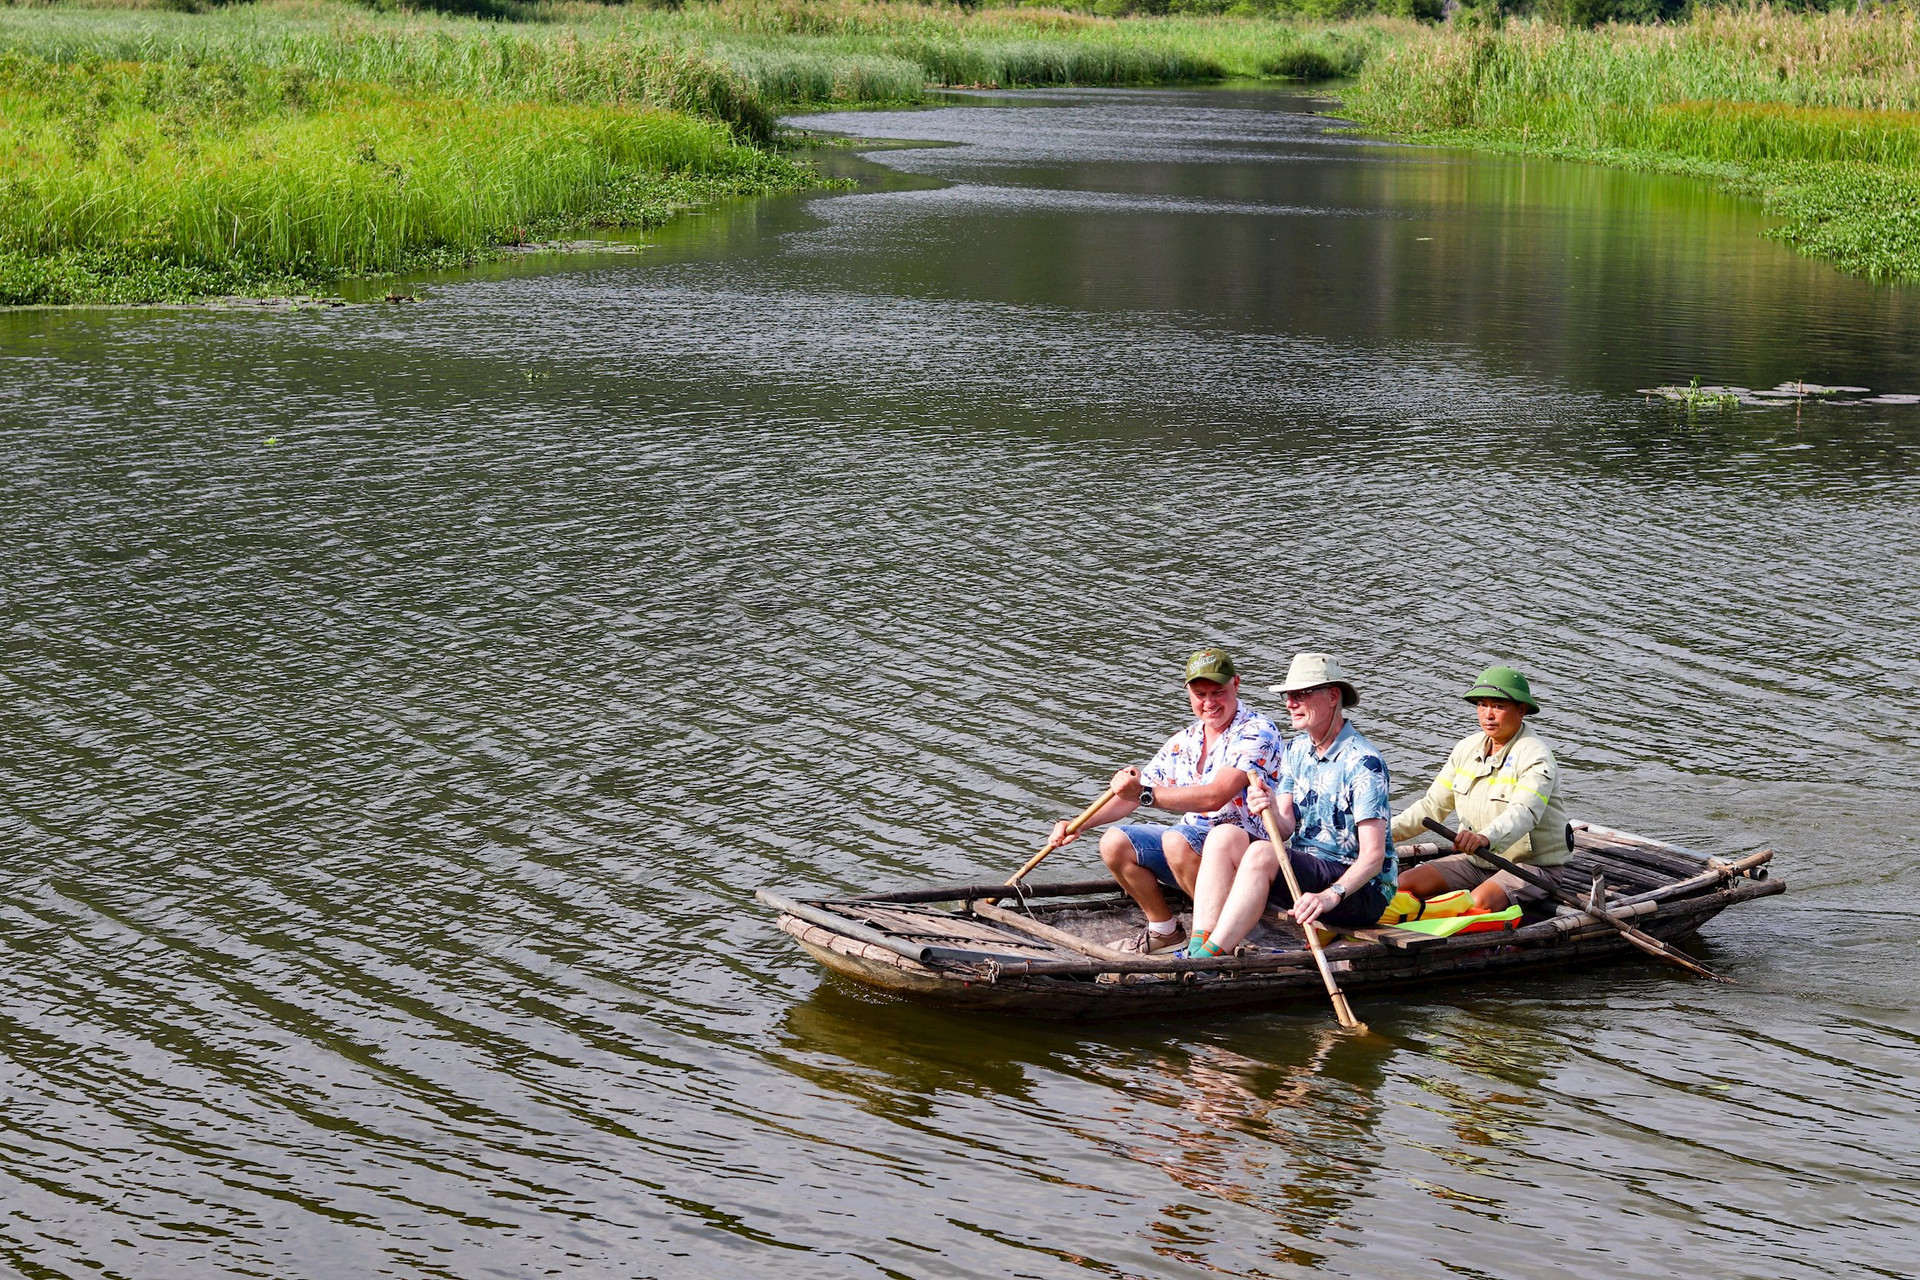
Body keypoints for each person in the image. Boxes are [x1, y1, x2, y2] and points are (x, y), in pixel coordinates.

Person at [1048, 647, 1283, 954]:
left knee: (1176, 840)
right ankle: (1164, 931)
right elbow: (1133, 795)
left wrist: (1143, 795)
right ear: (1188, 693)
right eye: (1200, 694)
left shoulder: (1256, 731)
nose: (1209, 703)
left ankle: (1215, 938)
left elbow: (1215, 796)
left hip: (1241, 847)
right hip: (1191, 841)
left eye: (1218, 693)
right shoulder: (1183, 740)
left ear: (1236, 684)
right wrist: (1078, 824)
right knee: (1114, 842)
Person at [1185, 653, 1395, 959]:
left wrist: (1329, 897)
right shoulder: (1295, 750)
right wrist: (1267, 805)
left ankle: (1210, 958)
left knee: (1260, 852)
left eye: (1299, 695)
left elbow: (1373, 859)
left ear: (1332, 697)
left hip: (1359, 891)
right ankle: (1196, 946)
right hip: (1307, 872)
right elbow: (1283, 830)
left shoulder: (1364, 763)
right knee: (1223, 836)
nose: (1289, 704)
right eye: (1288, 696)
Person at [1391, 665, 1570, 913]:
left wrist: (1485, 837)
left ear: (1522, 710)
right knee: (1400, 886)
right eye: (1482, 705)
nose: (1488, 714)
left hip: (1528, 868)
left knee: (1472, 907)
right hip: (1476, 862)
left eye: (1498, 706)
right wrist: (1384, 834)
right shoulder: (1466, 748)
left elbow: (1525, 812)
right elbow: (1431, 806)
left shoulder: (1535, 755)